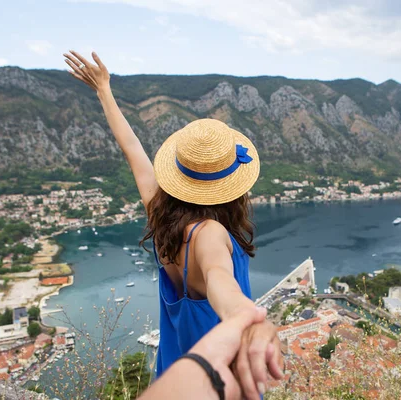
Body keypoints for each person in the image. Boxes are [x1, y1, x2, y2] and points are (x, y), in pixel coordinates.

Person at [64, 51, 283, 399]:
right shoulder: (210, 233)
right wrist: (247, 315)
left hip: (173, 371)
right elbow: (218, 279)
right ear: (232, 188)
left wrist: (104, 89)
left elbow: (133, 150)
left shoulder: (160, 215)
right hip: (215, 381)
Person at [138, 305, 275, 400]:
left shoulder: (167, 261)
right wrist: (248, 313)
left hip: (178, 360)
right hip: (217, 363)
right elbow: (218, 274)